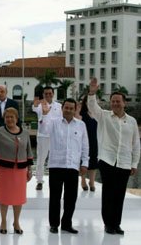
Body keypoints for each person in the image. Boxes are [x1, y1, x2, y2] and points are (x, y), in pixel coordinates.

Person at [87, 78, 140, 235]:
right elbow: (92, 106)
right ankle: (108, 224)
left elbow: (136, 144)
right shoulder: (103, 116)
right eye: (113, 101)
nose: (115, 104)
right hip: (107, 160)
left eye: (118, 101)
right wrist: (92, 92)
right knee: (108, 194)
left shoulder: (132, 122)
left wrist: (134, 164)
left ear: (125, 103)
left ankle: (116, 224)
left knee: (119, 195)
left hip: (124, 163)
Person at [40, 98, 89, 234]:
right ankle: (54, 224)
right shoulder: (54, 123)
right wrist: (44, 114)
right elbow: (44, 129)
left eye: (71, 108)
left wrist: (85, 163)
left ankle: (67, 223)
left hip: (73, 166)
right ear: (62, 109)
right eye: (66, 108)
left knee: (71, 198)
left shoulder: (81, 125)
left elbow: (85, 146)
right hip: (56, 165)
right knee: (55, 197)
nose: (68, 110)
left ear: (75, 110)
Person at [0, 108, 33, 234]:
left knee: (19, 198)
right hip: (3, 169)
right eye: (7, 117)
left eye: (12, 117)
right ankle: (3, 221)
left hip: (20, 170)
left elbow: (29, 151)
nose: (9, 119)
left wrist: (30, 168)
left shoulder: (25, 133)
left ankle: (16, 222)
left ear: (17, 118)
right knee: (4, 197)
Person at [32, 86, 62, 191]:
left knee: (56, 159)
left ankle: (56, 180)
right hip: (43, 136)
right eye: (46, 93)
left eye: (50, 93)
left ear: (53, 94)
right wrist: (36, 103)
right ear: (43, 95)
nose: (48, 95)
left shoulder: (59, 106)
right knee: (41, 159)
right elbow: (34, 107)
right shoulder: (39, 105)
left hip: (55, 136)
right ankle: (39, 181)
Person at [78, 96, 98, 192]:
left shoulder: (98, 114)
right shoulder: (81, 113)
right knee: (83, 160)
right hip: (83, 140)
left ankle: (92, 182)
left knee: (94, 160)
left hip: (95, 140)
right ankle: (83, 180)